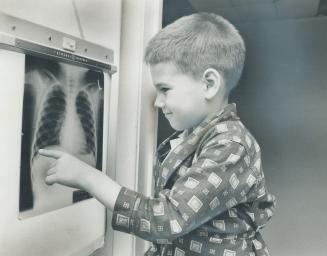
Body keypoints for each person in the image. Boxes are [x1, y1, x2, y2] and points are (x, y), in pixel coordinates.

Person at [39, 13, 276, 256]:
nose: (158, 102)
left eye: (165, 89)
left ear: (209, 84)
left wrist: (86, 177)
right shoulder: (189, 138)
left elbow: (169, 219)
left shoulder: (232, 145)